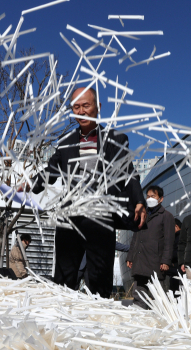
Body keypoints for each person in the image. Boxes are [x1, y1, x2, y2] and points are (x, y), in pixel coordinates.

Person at [31, 87, 146, 298]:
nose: (81, 111)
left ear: (98, 108)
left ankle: (98, 318)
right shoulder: (65, 143)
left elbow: (128, 173)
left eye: (86, 105)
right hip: (70, 214)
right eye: (76, 107)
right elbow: (51, 171)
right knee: (64, 275)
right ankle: (62, 317)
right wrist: (31, 183)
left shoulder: (116, 139)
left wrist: (139, 199)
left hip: (100, 213)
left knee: (99, 276)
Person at [126, 186, 175, 308]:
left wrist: (166, 260)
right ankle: (139, 314)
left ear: (161, 199)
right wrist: (130, 256)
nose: (150, 199)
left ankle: (162, 316)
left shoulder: (166, 216)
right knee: (139, 292)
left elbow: (169, 240)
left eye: (153, 196)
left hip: (156, 260)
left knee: (159, 294)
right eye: (148, 196)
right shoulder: (143, 214)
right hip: (140, 258)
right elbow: (135, 237)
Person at [164, 218, 182, 291]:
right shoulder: (176, 237)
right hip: (176, 270)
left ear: (176, 226)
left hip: (179, 270)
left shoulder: (180, 237)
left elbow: (177, 253)